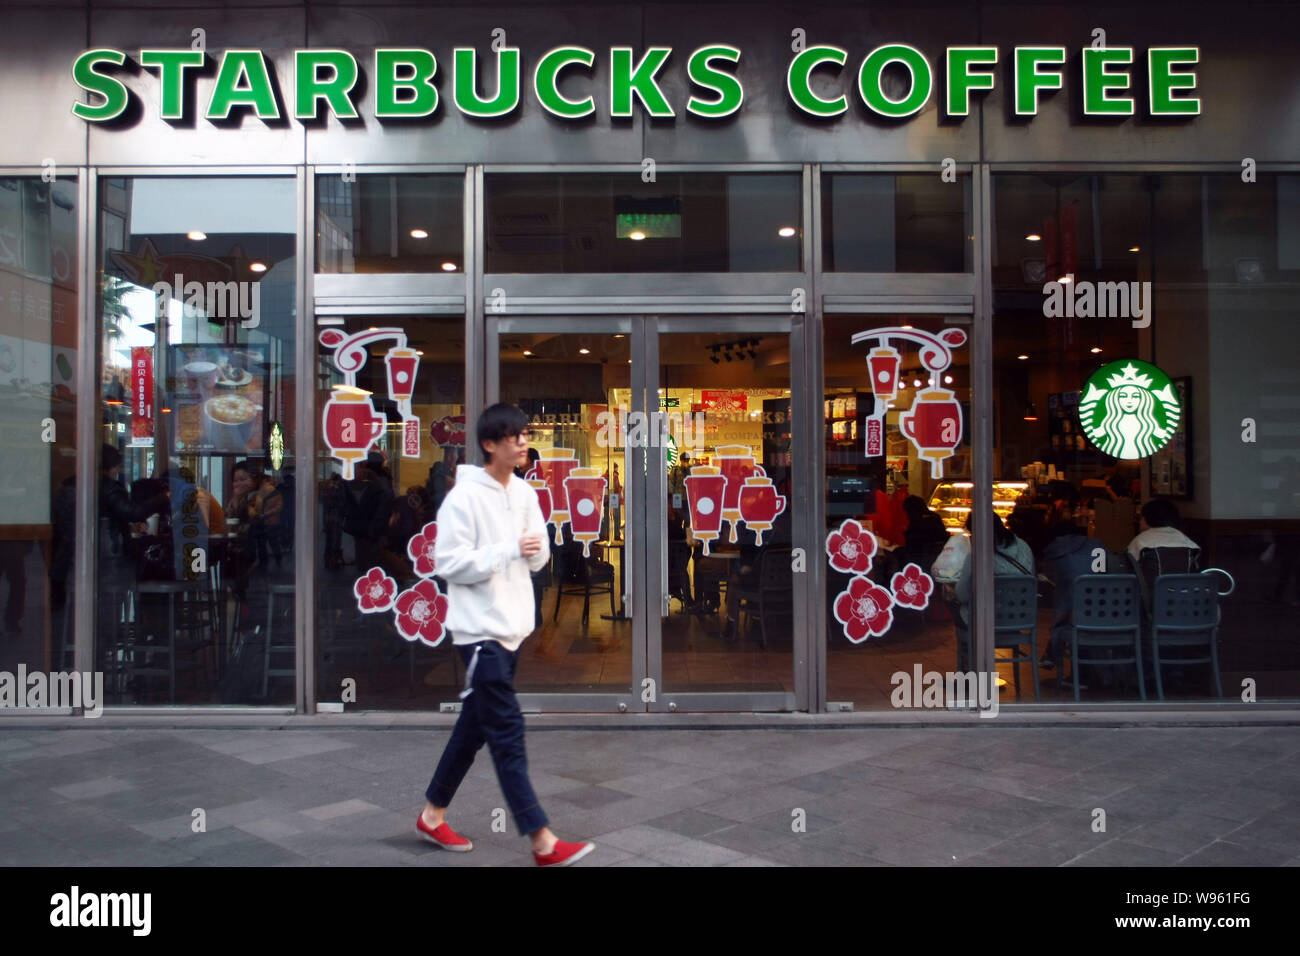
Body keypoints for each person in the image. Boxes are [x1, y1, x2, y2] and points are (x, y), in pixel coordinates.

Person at [418, 402, 594, 867]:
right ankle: (542, 840)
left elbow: (536, 558)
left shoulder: (525, 493)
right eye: (511, 435)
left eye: (523, 434)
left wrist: (532, 551)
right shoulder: (463, 497)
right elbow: (448, 564)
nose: (521, 442)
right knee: (507, 730)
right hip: (479, 635)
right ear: (489, 445)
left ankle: (433, 815)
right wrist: (507, 549)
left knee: (472, 730)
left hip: (513, 632)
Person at [952, 511, 1034, 670]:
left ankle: (968, 673)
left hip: (986, 622)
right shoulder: (1024, 547)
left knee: (959, 611)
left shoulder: (977, 555)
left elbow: (961, 595)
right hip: (1019, 620)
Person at [1040, 520, 1106, 671]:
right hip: (1107, 609)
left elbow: (1053, 579)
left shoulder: (1055, 551)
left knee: (1066, 606)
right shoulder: (1097, 545)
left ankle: (1053, 653)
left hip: (1072, 612)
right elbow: (1105, 572)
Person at [1126, 497, 1199, 568]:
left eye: (1140, 518)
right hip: (1183, 580)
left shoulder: (1140, 540)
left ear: (1146, 518)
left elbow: (1128, 564)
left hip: (1147, 580)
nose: (1140, 522)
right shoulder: (1187, 541)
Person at [899, 495, 949, 572]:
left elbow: (912, 542)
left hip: (920, 560)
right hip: (936, 559)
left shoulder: (916, 521)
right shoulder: (935, 517)